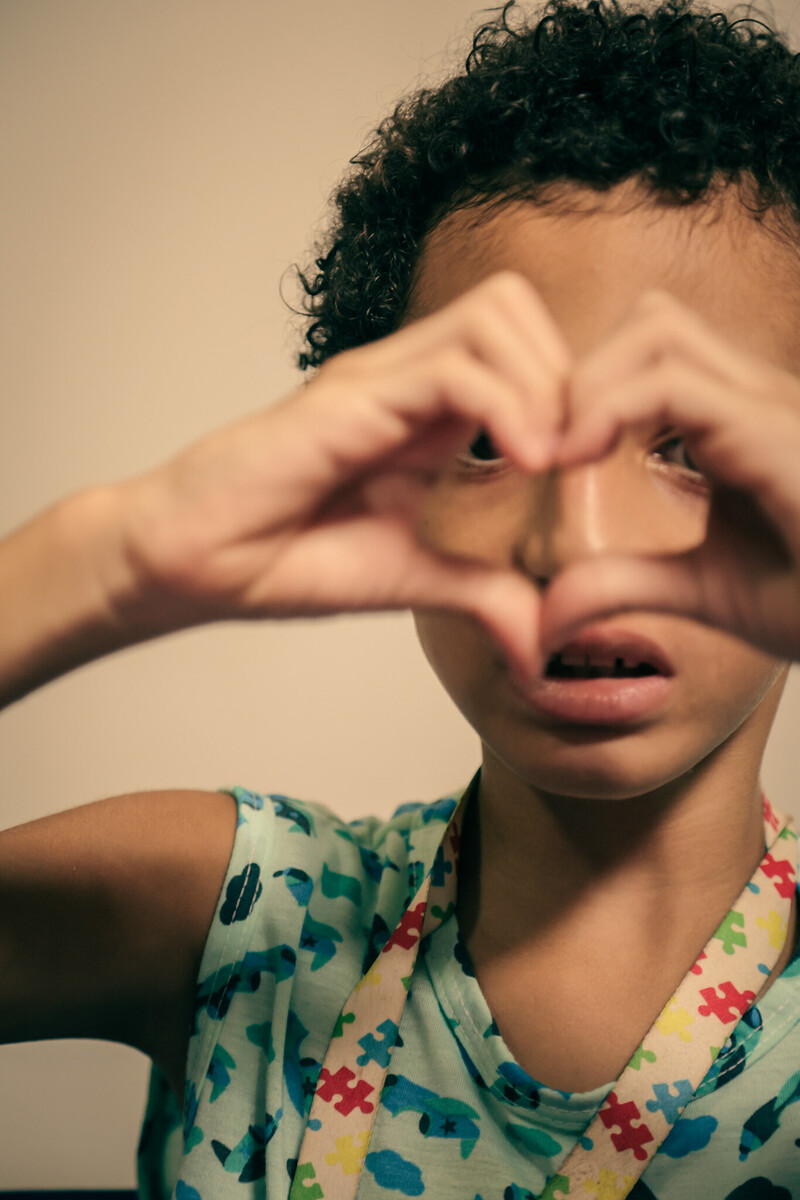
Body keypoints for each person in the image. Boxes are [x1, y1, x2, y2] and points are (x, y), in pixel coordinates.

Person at [3, 0, 800, 1194]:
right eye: (482, 438)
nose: (574, 543)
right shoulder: (242, 912)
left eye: (692, 441)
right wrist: (113, 555)